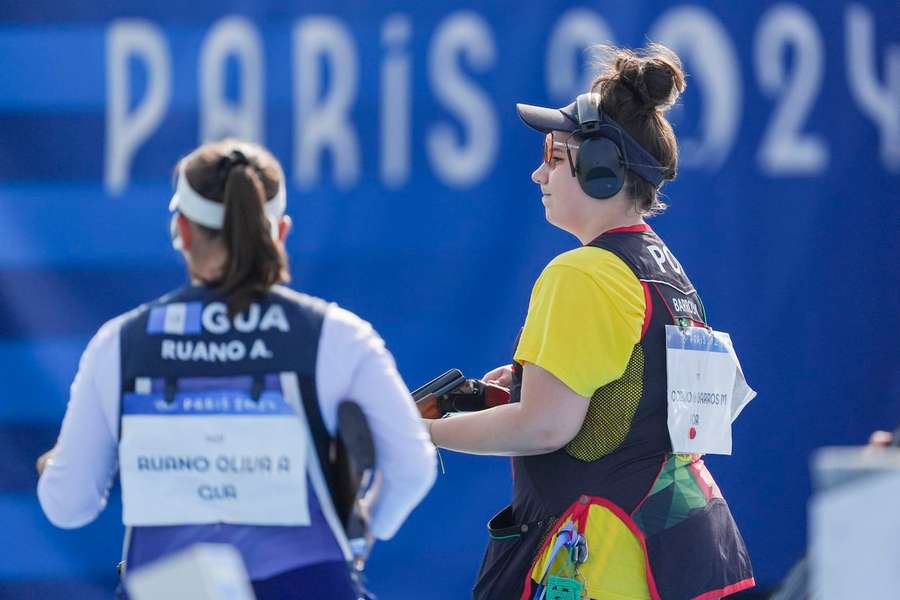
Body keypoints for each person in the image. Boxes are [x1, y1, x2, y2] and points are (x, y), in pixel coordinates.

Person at [36, 139, 436, 599]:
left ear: (182, 231)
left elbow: (69, 506)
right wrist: (360, 532)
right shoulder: (338, 336)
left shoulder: (121, 344)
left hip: (171, 590)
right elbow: (411, 466)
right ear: (280, 232)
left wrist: (55, 468)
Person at [424, 44, 755, 599]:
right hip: (681, 552)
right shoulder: (662, 267)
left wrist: (418, 434)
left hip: (604, 559)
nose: (538, 172)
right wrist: (537, 379)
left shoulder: (582, 273)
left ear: (602, 169)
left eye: (555, 154)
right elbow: (630, 396)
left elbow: (545, 428)